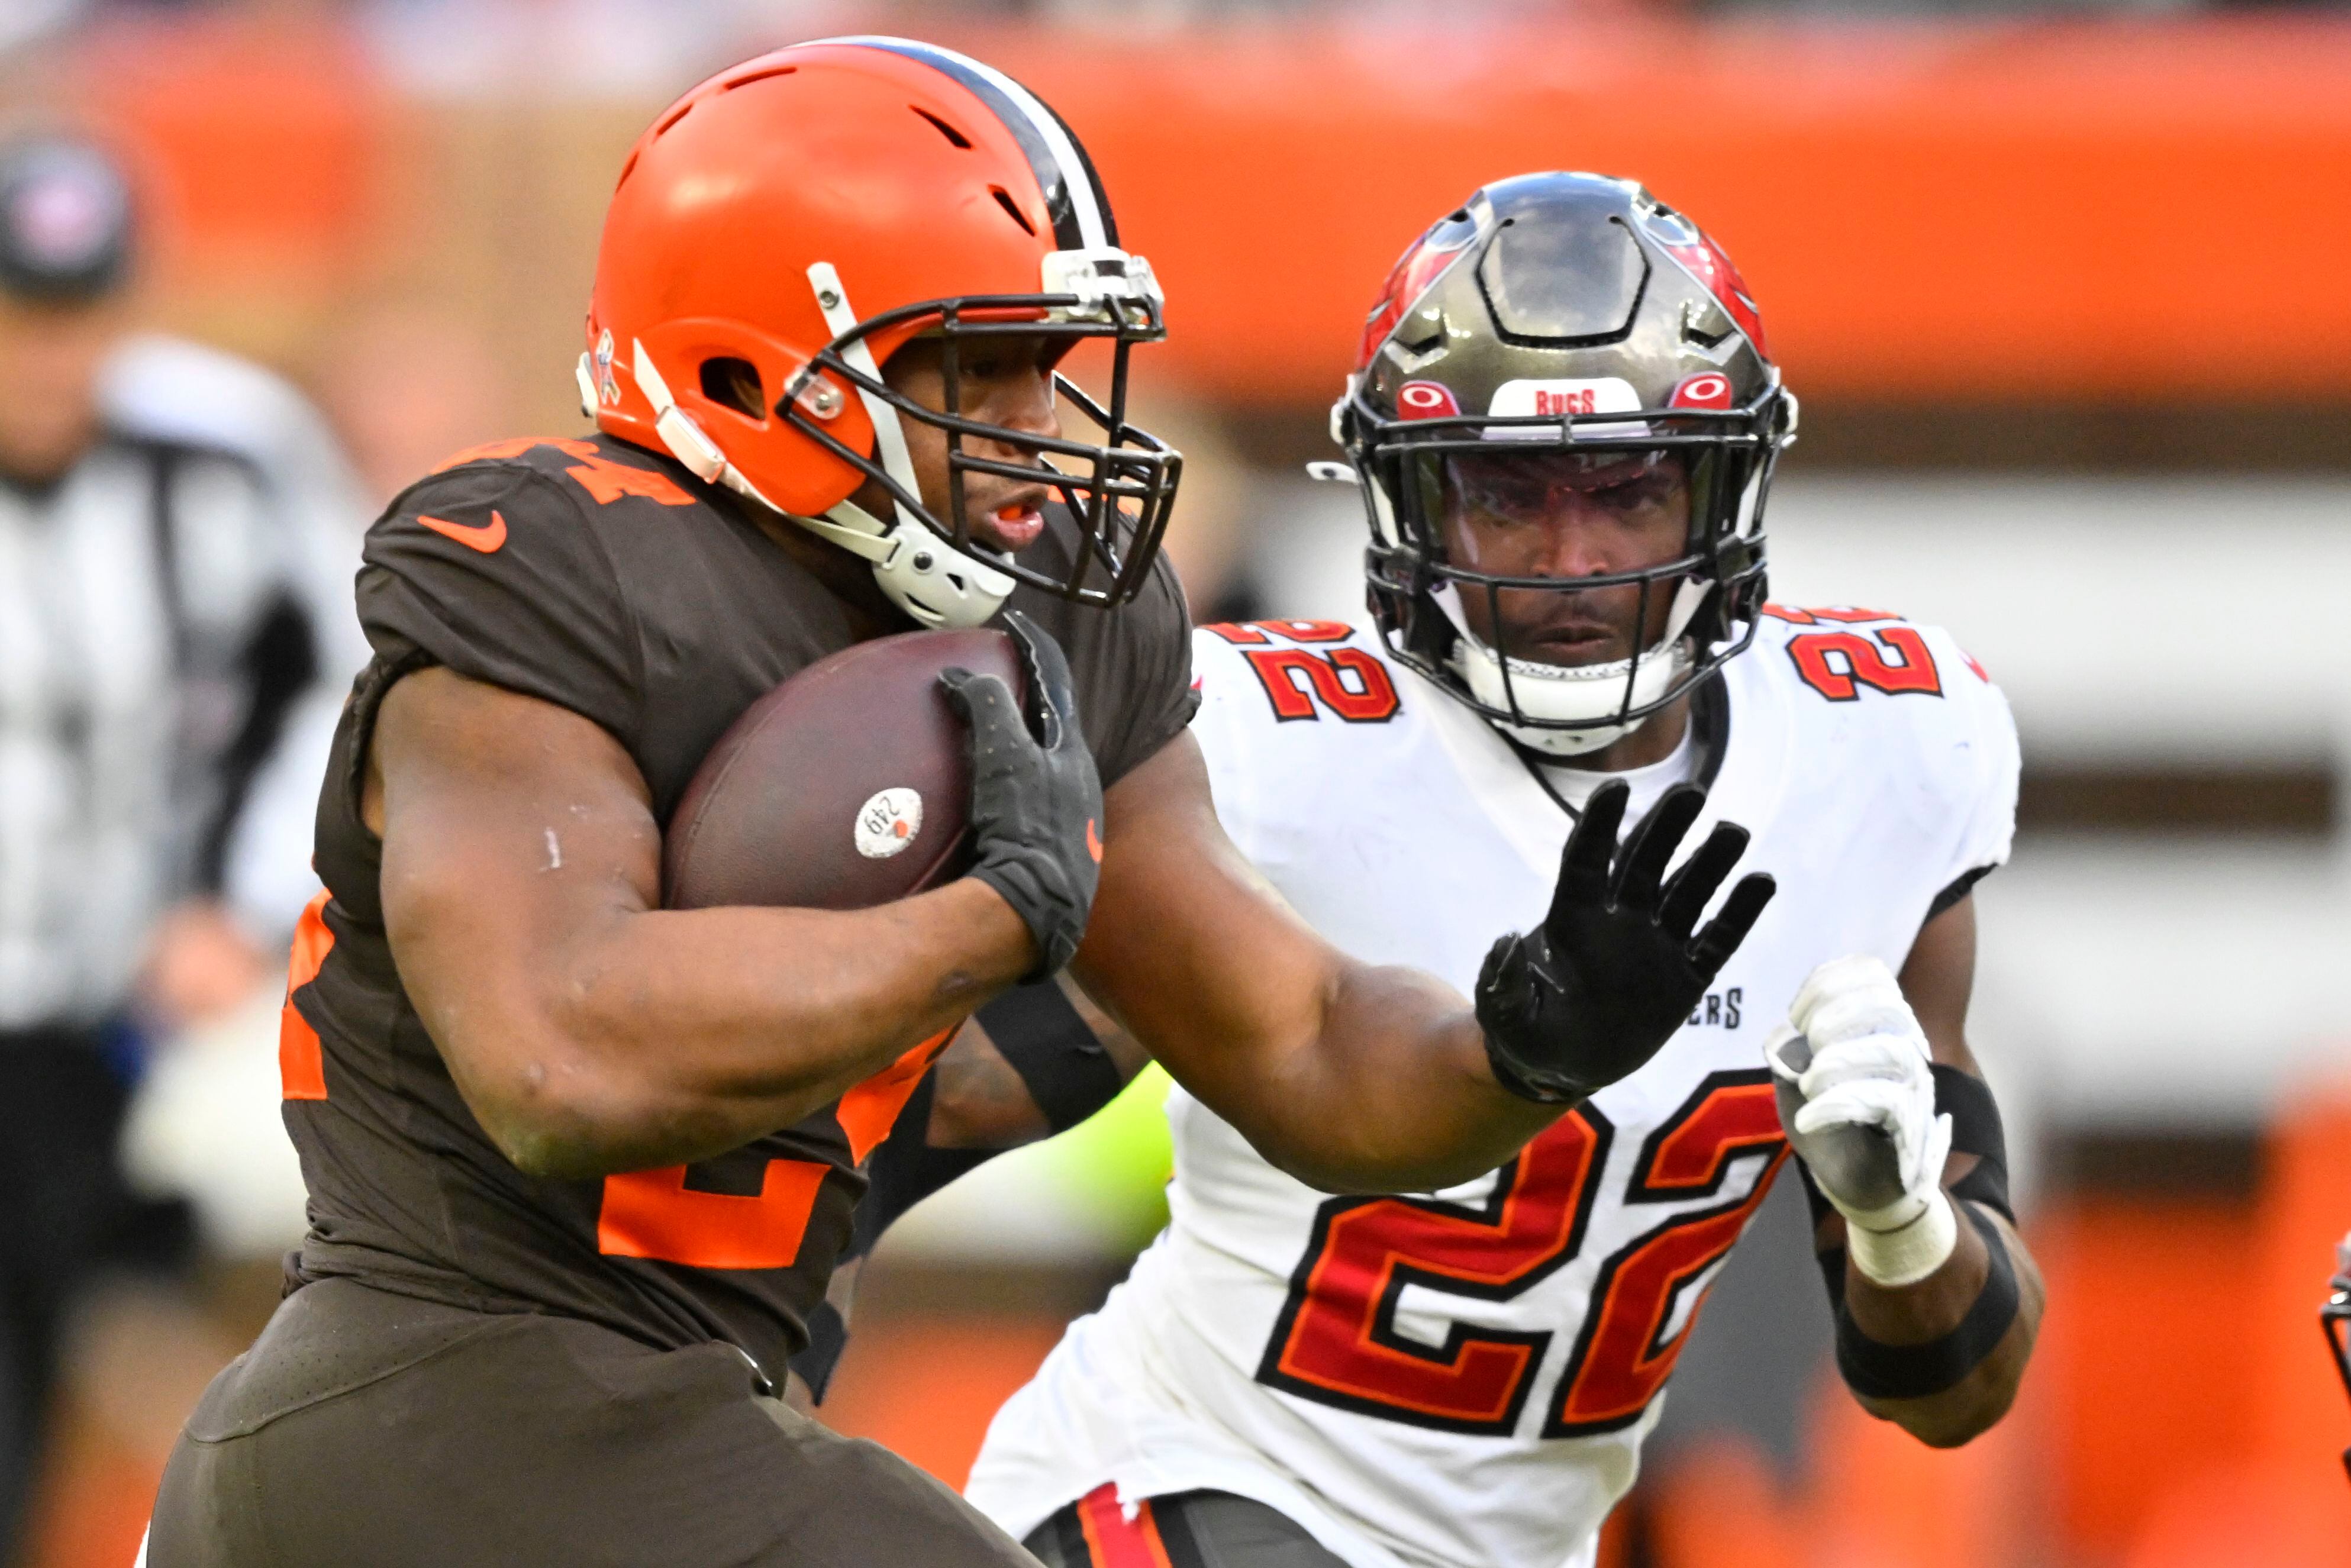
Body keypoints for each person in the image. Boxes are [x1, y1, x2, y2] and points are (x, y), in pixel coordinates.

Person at [142, 43, 1774, 1567]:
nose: (1036, 430)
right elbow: (559, 1055)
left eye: (1048, 366)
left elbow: (1302, 1046)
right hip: (440, 1404)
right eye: (975, 372)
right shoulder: (560, 577)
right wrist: (984, 921)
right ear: (747, 368)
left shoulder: (1054, 618)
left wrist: (1517, 1048)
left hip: (676, 1426)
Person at [953, 173, 2044, 1568]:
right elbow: (947, 1096)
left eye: (1630, 489)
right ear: (1409, 497)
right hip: (1188, 1472)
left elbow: (1956, 1389)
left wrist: (1897, 1220)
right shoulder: (1254, 746)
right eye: (1505, 495)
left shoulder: (1890, 748)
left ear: (1723, 483)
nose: (1570, 560)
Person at [0, 131, 356, 1565]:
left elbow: (340, 679)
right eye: (23, 315)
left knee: (78, 1303)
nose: (51, 356)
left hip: (117, 1009)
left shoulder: (220, 455)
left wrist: (236, 896)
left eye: (80, 314)